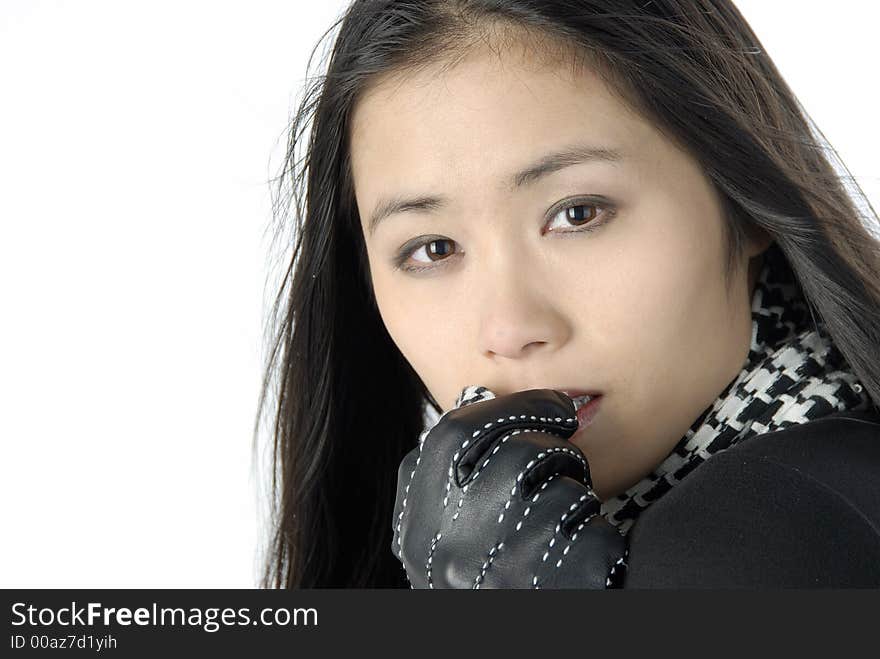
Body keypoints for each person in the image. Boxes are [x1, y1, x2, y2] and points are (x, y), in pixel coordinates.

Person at [255, 0, 880, 588]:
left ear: (744, 204)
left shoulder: (767, 533)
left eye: (578, 213)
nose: (510, 326)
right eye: (433, 249)